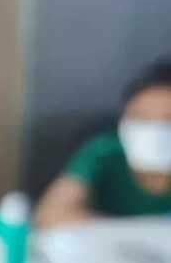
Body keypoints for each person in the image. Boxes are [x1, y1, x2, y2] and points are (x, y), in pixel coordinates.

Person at [36, 58, 171, 226]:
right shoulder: (103, 152)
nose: (155, 131)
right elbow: (50, 214)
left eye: (168, 120)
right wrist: (136, 231)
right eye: (141, 118)